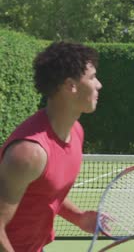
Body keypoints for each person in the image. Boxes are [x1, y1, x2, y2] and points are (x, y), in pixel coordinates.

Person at [0, 41, 103, 251]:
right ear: (70, 86)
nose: (99, 84)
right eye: (92, 78)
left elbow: (45, 191)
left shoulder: (76, 132)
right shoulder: (29, 154)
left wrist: (79, 218)